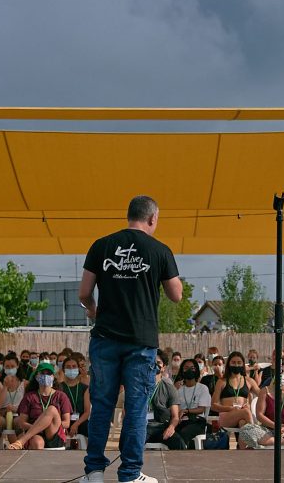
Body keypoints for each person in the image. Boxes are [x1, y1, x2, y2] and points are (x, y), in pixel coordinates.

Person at [78, 195, 181, 483]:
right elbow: (176, 295)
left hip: (105, 338)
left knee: (102, 405)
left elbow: (83, 294)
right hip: (140, 340)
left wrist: (95, 311)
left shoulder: (101, 245)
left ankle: (94, 472)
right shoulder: (160, 250)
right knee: (136, 408)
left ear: (129, 215)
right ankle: (130, 474)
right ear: (152, 219)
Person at [237, 362, 284, 449]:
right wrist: (275, 426)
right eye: (280, 372)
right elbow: (260, 415)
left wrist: (283, 428)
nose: (282, 375)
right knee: (245, 431)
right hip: (267, 430)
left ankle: (268, 443)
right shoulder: (265, 391)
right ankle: (282, 442)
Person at [9, 362, 72, 450]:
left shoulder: (61, 396)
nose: (45, 376)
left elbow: (67, 423)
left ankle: (21, 441)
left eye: (49, 373)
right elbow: (22, 423)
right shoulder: (29, 397)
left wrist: (46, 426)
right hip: (35, 433)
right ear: (36, 377)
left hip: (54, 431)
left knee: (52, 409)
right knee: (37, 443)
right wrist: (38, 428)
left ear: (53, 377)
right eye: (42, 373)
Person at [210, 352, 257, 433]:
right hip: (227, 416)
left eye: (239, 363)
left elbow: (263, 395)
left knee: (243, 424)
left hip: (243, 415)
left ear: (243, 364)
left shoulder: (249, 381)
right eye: (233, 362)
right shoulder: (222, 381)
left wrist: (249, 405)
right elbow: (213, 406)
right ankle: (256, 436)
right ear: (229, 364)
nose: (236, 365)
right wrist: (230, 408)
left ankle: (246, 445)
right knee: (246, 412)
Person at [0, 354, 26, 450]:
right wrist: (5, 386)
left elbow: (27, 405)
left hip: (18, 412)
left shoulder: (24, 383)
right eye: (7, 367)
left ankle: (23, 449)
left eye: (12, 366)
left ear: (17, 366)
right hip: (3, 413)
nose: (10, 369)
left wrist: (15, 408)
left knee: (19, 422)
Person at [173, 358, 211, 449]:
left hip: (197, 421)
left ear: (196, 370)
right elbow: (174, 406)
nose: (189, 370)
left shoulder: (202, 388)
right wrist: (174, 389)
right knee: (171, 434)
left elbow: (201, 409)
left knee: (184, 433)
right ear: (182, 371)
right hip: (181, 421)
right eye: (186, 368)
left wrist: (186, 411)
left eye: (192, 368)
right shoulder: (178, 388)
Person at [61, 355, 91, 443]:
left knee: (88, 427)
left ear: (78, 369)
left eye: (74, 366)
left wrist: (76, 425)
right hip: (64, 421)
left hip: (80, 420)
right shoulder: (59, 387)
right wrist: (63, 425)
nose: (71, 369)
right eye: (68, 367)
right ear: (63, 370)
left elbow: (87, 412)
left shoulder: (84, 388)